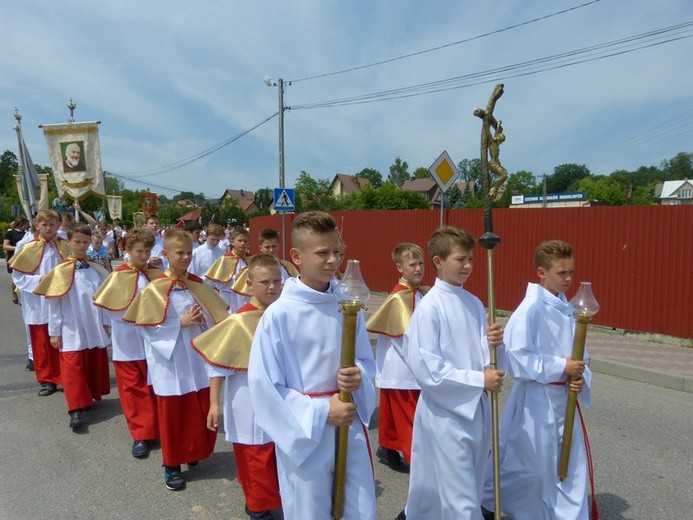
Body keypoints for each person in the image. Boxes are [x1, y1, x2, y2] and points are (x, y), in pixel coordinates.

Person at [248, 211, 376, 519]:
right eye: (322, 253)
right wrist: (321, 412)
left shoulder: (348, 305)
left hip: (348, 423)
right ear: (296, 256)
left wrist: (358, 376)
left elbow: (366, 360)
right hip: (306, 435)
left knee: (357, 509)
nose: (333, 260)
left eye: (337, 252)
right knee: (311, 511)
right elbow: (265, 387)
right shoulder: (280, 315)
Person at [480, 240, 597, 520]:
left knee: (564, 462)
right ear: (541, 273)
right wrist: (561, 366)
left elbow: (581, 355)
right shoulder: (530, 309)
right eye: (562, 273)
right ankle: (492, 502)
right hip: (537, 398)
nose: (569, 279)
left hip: (563, 396)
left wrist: (580, 377)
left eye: (571, 272)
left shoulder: (566, 308)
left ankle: (560, 511)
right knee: (528, 464)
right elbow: (520, 357)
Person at [399, 226, 505, 520]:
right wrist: (478, 380)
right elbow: (427, 370)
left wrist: (496, 344)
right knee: (460, 497)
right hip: (447, 414)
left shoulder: (473, 303)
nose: (469, 266)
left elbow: (486, 359)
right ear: (438, 261)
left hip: (476, 408)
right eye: (461, 259)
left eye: (471, 259)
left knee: (462, 484)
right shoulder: (429, 308)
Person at [123, 227, 228, 491]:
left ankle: (193, 450)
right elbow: (145, 327)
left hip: (195, 359)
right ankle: (171, 465)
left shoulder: (196, 284)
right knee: (174, 414)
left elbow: (215, 315)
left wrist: (203, 321)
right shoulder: (154, 289)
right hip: (170, 363)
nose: (186, 257)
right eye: (180, 253)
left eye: (189, 252)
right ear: (166, 253)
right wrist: (179, 323)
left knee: (198, 408)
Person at [192, 254, 284, 520]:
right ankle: (258, 509)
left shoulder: (284, 314)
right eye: (265, 282)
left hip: (281, 398)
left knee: (277, 453)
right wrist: (214, 404)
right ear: (250, 284)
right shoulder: (238, 321)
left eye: (277, 281)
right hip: (247, 402)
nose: (272, 287)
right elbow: (217, 365)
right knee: (254, 456)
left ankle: (269, 500)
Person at [34, 224, 111, 431]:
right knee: (72, 366)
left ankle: (88, 397)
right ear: (69, 242)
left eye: (85, 242)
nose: (82, 246)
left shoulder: (95, 269)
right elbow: (54, 303)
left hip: (92, 324)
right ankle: (75, 409)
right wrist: (54, 332)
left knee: (90, 360)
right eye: (77, 242)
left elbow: (103, 297)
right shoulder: (60, 271)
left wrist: (106, 322)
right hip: (71, 326)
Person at [93, 228, 162, 458]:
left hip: (154, 339)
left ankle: (159, 426)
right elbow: (106, 307)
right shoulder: (118, 275)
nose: (143, 255)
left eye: (147, 250)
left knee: (155, 384)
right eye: (139, 251)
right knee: (133, 388)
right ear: (128, 250)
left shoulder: (157, 274)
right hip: (127, 340)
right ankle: (141, 434)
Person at [366, 242, 428, 474]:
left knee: (393, 414)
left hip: (401, 369)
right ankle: (417, 460)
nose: (418, 268)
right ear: (399, 268)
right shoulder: (399, 298)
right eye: (412, 264)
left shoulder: (418, 293)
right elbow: (405, 339)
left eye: (421, 263)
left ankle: (388, 448)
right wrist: (422, 365)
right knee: (410, 417)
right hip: (405, 369)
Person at [9, 210, 72, 396]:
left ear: (58, 226)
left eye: (53, 224)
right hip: (37, 301)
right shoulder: (28, 247)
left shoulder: (64, 245)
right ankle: (46, 379)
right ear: (37, 226)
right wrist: (40, 280)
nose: (49, 228)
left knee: (61, 338)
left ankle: (63, 376)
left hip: (60, 298)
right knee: (41, 341)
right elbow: (18, 276)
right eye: (45, 224)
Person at [230, 228, 299, 304]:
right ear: (261, 248)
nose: (271, 250)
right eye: (267, 247)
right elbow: (245, 297)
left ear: (278, 246)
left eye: (274, 246)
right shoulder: (253, 268)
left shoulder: (287, 266)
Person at [204, 226, 251, 311]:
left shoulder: (251, 259)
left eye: (245, 241)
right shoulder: (225, 259)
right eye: (240, 240)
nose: (243, 243)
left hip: (246, 298)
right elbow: (219, 284)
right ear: (232, 242)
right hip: (230, 300)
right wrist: (235, 278)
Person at [4, 217, 30, 304]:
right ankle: (14, 293)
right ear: (20, 223)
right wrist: (17, 248)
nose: (27, 226)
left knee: (25, 278)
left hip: (26, 259)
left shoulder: (28, 234)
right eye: (25, 224)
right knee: (15, 279)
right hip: (14, 259)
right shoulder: (10, 233)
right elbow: (5, 246)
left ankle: (24, 297)